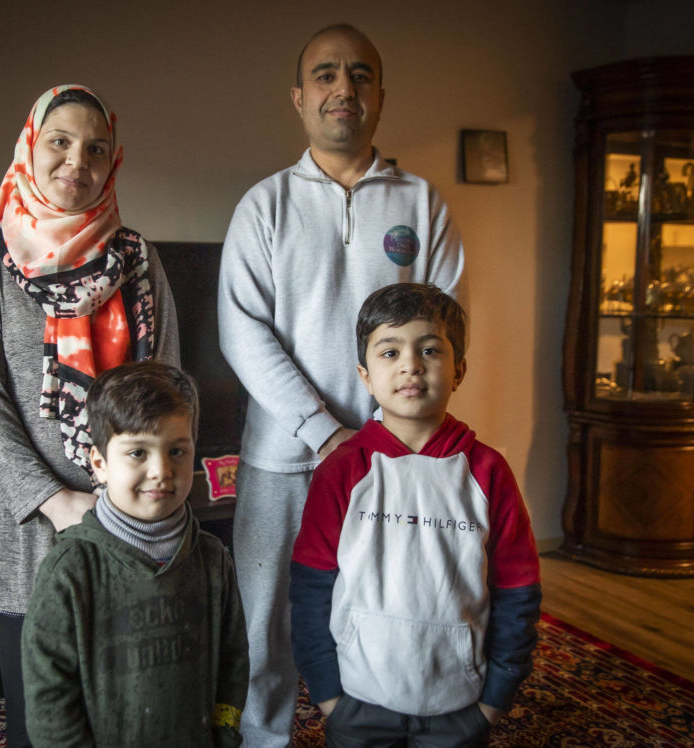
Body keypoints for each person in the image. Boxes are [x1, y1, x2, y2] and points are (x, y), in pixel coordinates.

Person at [216, 23, 466, 746]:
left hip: (395, 466)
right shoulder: (263, 207)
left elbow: (445, 329)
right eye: (326, 75)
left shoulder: (424, 205)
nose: (343, 88)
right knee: (264, 633)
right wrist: (324, 431)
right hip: (283, 464)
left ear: (380, 97)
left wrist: (385, 439)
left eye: (360, 75)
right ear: (299, 97)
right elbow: (242, 332)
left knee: (384, 625)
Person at [0, 85, 180, 747]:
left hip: (128, 521)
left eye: (96, 148)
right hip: (26, 536)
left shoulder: (141, 262)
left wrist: (121, 497)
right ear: (30, 146)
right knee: (41, 723)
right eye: (60, 141)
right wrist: (57, 502)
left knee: (130, 711)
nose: (77, 160)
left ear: (114, 162)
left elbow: (163, 387)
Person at [290, 283, 541, 747]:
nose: (410, 364)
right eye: (390, 352)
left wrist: (494, 702)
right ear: (365, 375)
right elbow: (310, 591)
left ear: (459, 371)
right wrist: (328, 697)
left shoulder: (488, 472)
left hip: (460, 705)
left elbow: (517, 592)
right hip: (357, 702)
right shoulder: (342, 471)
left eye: (429, 349)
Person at [21, 361, 249, 747]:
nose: (162, 470)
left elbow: (233, 659)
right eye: (138, 453)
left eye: (177, 450)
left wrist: (224, 734)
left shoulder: (213, 559)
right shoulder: (70, 570)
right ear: (99, 463)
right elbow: (49, 700)